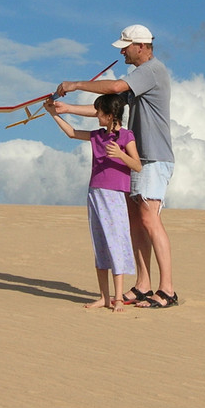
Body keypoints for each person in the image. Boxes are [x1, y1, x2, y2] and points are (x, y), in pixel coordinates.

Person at [52, 24, 178, 309]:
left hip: (153, 157)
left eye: (126, 46)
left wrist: (76, 85)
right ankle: (144, 285)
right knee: (135, 222)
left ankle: (167, 289)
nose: (122, 52)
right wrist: (67, 109)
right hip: (135, 158)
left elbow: (115, 87)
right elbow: (110, 108)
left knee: (149, 219)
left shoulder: (151, 71)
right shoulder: (141, 77)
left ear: (141, 47)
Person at [43, 93, 141, 313]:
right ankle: (104, 297)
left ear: (111, 114)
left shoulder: (126, 136)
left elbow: (137, 165)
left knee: (115, 243)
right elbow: (71, 133)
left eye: (100, 112)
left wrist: (119, 155)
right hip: (94, 194)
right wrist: (52, 113)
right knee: (100, 244)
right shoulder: (97, 135)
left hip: (115, 195)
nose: (97, 115)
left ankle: (117, 298)